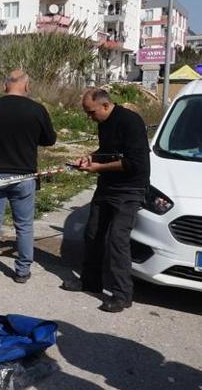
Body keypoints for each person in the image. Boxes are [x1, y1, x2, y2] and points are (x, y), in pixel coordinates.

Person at [63, 88, 150, 313]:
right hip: (107, 187)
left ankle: (122, 294)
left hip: (130, 189)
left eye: (91, 112)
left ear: (104, 105)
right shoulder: (103, 123)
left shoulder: (131, 122)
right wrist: (90, 157)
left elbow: (134, 162)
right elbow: (108, 150)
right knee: (93, 233)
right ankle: (90, 281)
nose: (89, 118)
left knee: (117, 240)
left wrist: (99, 167)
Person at [0, 70, 57, 286]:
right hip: (24, 175)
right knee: (24, 225)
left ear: (5, 86)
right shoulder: (36, 110)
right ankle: (22, 271)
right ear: (27, 86)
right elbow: (49, 140)